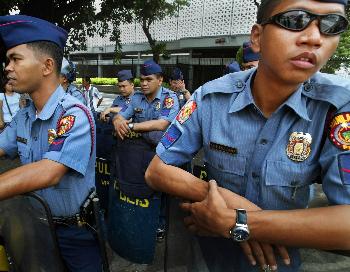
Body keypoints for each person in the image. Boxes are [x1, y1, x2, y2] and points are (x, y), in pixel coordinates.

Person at [145, 0, 350, 271]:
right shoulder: (211, 97)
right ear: (257, 36)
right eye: (294, 20)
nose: (313, 38)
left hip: (278, 263)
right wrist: (227, 202)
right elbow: (156, 171)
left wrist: (237, 222)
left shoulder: (338, 107)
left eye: (331, 25)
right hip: (211, 260)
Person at [0, 15, 101, 271]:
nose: (7, 67)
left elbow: (49, 171)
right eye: (8, 59)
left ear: (47, 66)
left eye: (16, 59)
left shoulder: (74, 114)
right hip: (34, 226)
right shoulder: (24, 116)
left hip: (76, 235)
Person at [108, 60, 179, 264]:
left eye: (149, 79)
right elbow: (121, 115)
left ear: (160, 80)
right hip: (140, 153)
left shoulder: (169, 97)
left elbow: (162, 123)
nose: (144, 83)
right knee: (140, 186)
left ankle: (161, 224)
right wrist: (117, 120)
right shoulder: (137, 98)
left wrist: (131, 126)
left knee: (161, 189)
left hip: (163, 153)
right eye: (142, 80)